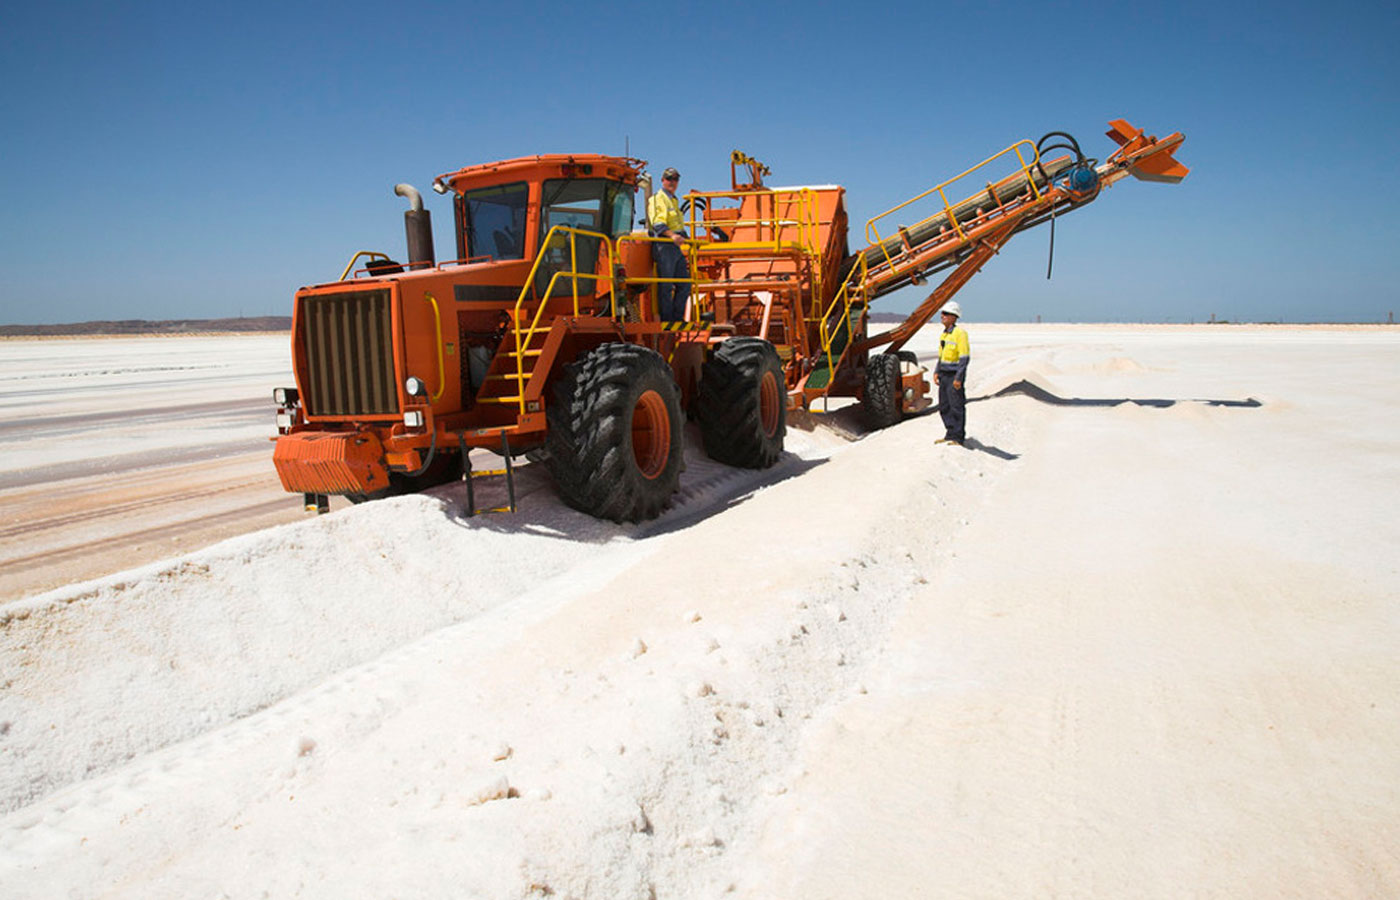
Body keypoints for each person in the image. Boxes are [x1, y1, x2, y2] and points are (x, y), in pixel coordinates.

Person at [647, 167, 690, 321]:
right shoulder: (658, 199)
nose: (672, 182)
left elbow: (677, 225)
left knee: (685, 284)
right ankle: (667, 319)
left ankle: (677, 318)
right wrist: (672, 236)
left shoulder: (673, 199)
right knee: (666, 285)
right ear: (663, 180)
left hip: (675, 247)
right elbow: (658, 224)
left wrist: (689, 240)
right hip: (664, 245)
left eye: (675, 179)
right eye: (669, 179)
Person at [934, 300, 970, 444]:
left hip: (954, 375)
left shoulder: (960, 334)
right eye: (942, 313)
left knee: (956, 406)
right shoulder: (944, 334)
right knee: (944, 406)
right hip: (944, 374)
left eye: (946, 314)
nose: (942, 316)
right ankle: (950, 433)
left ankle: (958, 436)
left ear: (954, 317)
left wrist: (959, 378)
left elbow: (964, 358)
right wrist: (937, 371)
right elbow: (941, 355)